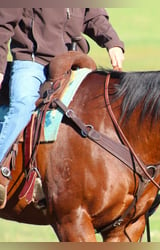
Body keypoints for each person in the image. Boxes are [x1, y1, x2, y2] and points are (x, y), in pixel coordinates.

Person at [0, 8, 125, 204]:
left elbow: (94, 15)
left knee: (101, 108)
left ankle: (129, 188)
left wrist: (113, 43)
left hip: (73, 62)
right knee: (23, 105)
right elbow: (2, 24)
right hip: (32, 61)